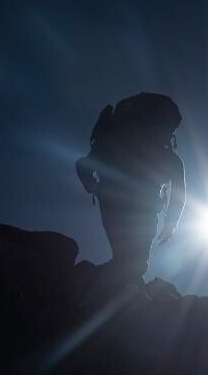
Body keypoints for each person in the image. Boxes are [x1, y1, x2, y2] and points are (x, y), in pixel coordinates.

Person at [76, 93, 186, 287]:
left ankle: (105, 289)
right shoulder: (169, 158)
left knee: (128, 261)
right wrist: (171, 223)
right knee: (133, 265)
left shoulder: (115, 138)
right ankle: (112, 294)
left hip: (111, 204)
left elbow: (83, 165)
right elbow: (179, 194)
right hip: (143, 209)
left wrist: (95, 188)